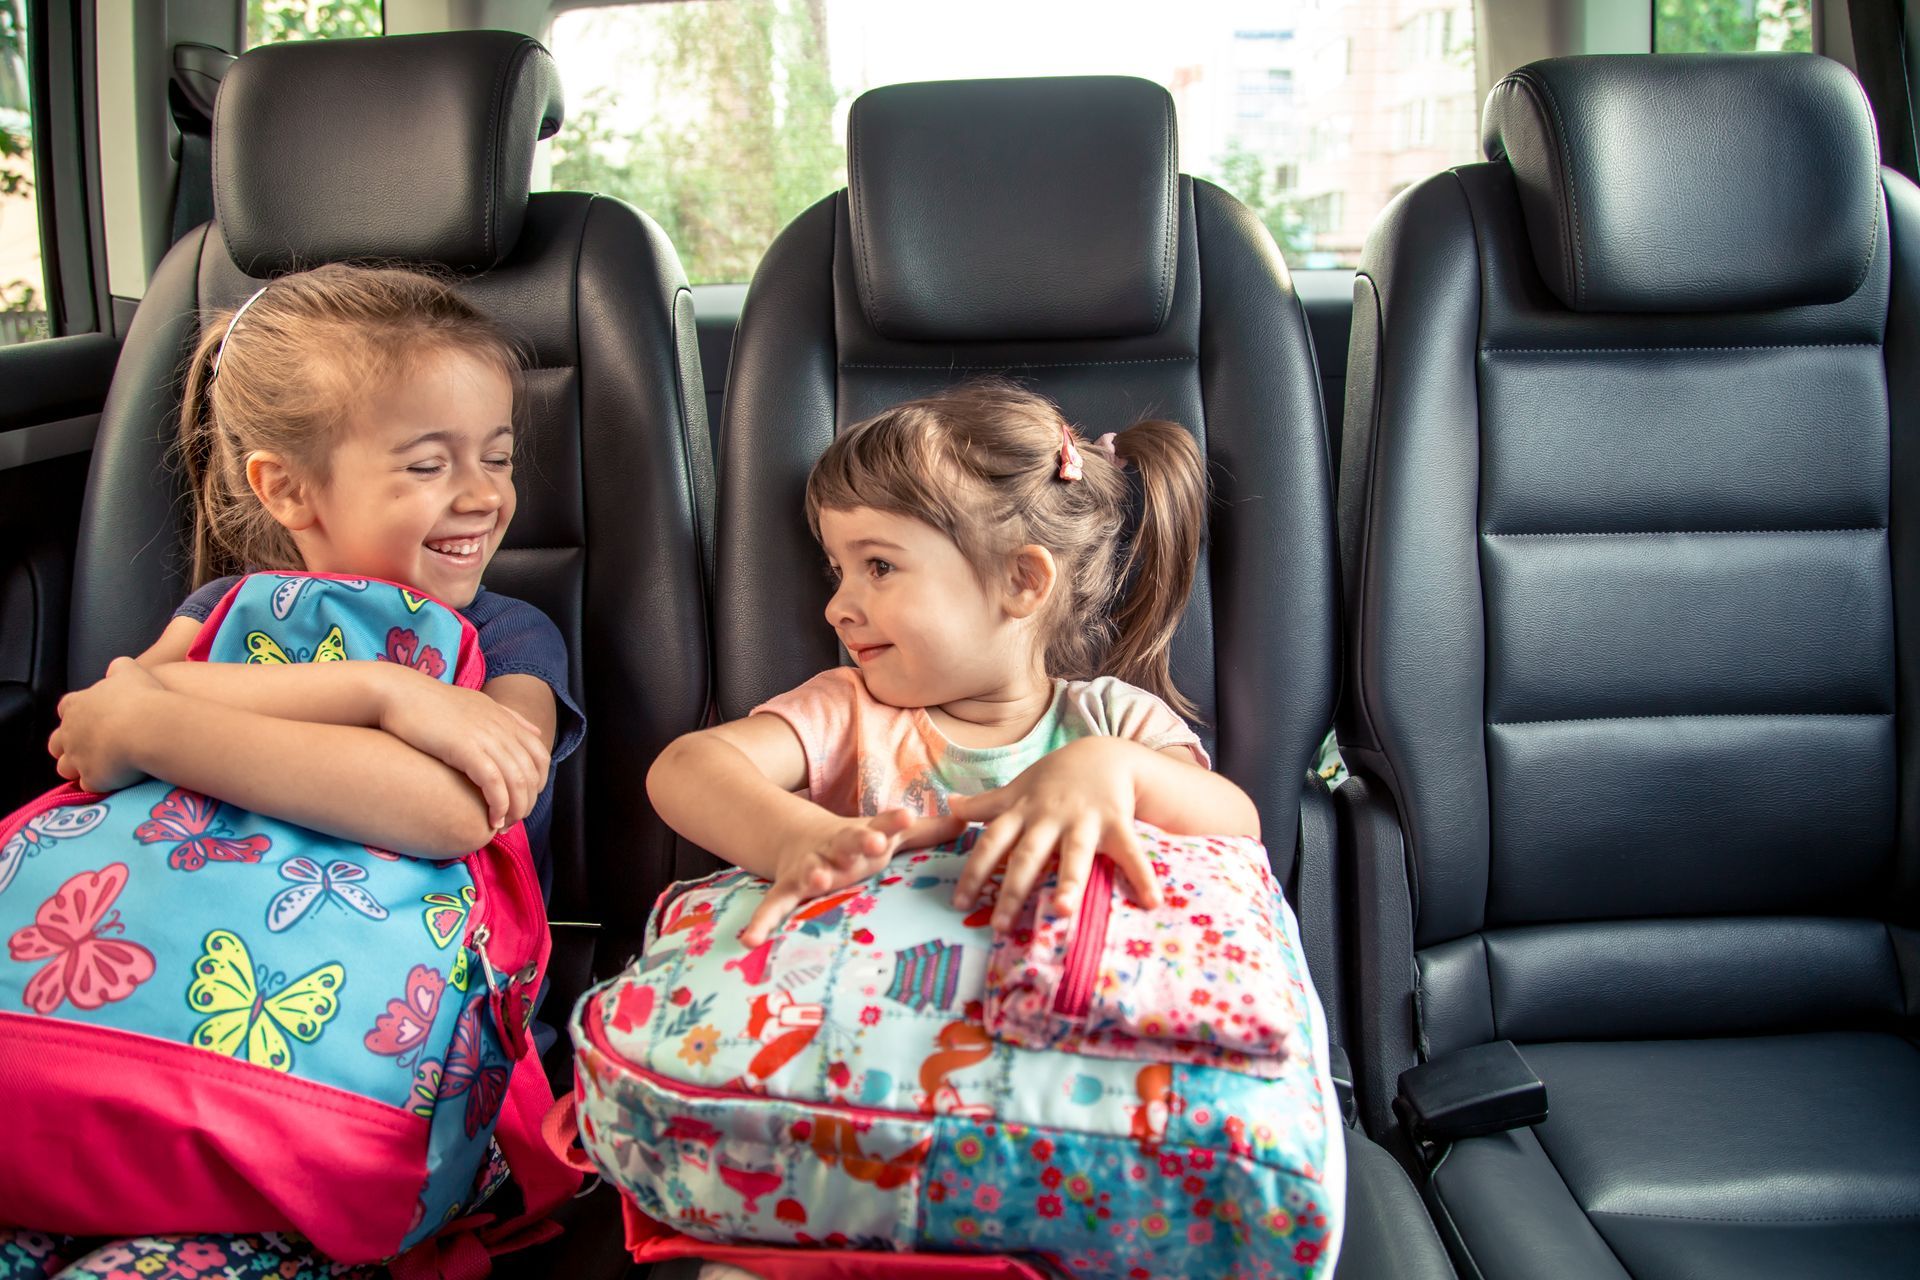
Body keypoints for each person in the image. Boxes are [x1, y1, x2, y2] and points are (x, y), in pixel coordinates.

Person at [0, 264, 583, 1280]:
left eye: (495, 456)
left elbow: (454, 806)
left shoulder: (505, 635)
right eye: (427, 464)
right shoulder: (224, 610)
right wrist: (382, 694)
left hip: (363, 1091)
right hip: (110, 1059)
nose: (485, 494)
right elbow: (96, 726)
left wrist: (163, 720)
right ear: (286, 487)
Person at [648, 378, 1259, 951]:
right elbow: (684, 768)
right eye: (839, 571)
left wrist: (1116, 770)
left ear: (1022, 580)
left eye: (879, 566)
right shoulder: (847, 713)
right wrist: (797, 838)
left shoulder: (1116, 725)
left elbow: (1238, 832)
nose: (836, 608)